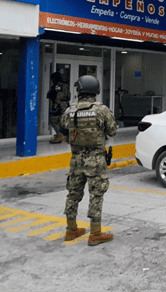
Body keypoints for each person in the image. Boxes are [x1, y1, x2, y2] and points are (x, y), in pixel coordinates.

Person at [61, 75, 117, 245]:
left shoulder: (69, 111)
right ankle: (95, 234)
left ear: (79, 90)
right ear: (96, 90)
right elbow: (112, 131)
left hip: (76, 159)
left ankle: (71, 230)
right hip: (96, 160)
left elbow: (64, 133)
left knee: (73, 194)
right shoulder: (101, 110)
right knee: (96, 195)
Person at [47, 71, 70, 143]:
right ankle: (64, 135)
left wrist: (56, 104)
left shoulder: (57, 86)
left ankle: (60, 135)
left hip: (59, 105)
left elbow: (58, 95)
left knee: (53, 119)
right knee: (62, 121)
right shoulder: (65, 85)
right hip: (64, 105)